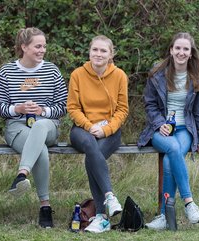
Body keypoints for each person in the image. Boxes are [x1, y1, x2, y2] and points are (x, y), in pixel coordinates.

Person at [0, 27, 67, 228]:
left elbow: (63, 107)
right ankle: (45, 207)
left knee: (41, 126)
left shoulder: (52, 71)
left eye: (44, 46)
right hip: (17, 128)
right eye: (37, 46)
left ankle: (21, 174)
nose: (42, 50)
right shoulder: (7, 72)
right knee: (39, 149)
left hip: (48, 126)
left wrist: (43, 110)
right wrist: (18, 108)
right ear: (24, 47)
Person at [138, 32, 199, 230]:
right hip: (159, 129)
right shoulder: (157, 74)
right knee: (172, 148)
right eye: (177, 48)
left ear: (190, 53)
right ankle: (189, 202)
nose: (181, 52)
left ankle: (163, 216)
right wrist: (159, 122)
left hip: (185, 129)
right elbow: (150, 105)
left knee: (171, 157)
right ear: (171, 51)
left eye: (185, 49)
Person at [67, 35, 129, 233]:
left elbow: (122, 110)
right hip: (82, 130)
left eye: (103, 51)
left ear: (111, 54)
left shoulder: (119, 76)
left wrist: (106, 129)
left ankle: (102, 216)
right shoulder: (78, 74)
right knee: (91, 147)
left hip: (110, 131)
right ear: (89, 52)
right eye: (95, 50)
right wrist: (88, 126)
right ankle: (109, 196)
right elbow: (73, 107)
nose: (98, 54)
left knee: (92, 158)